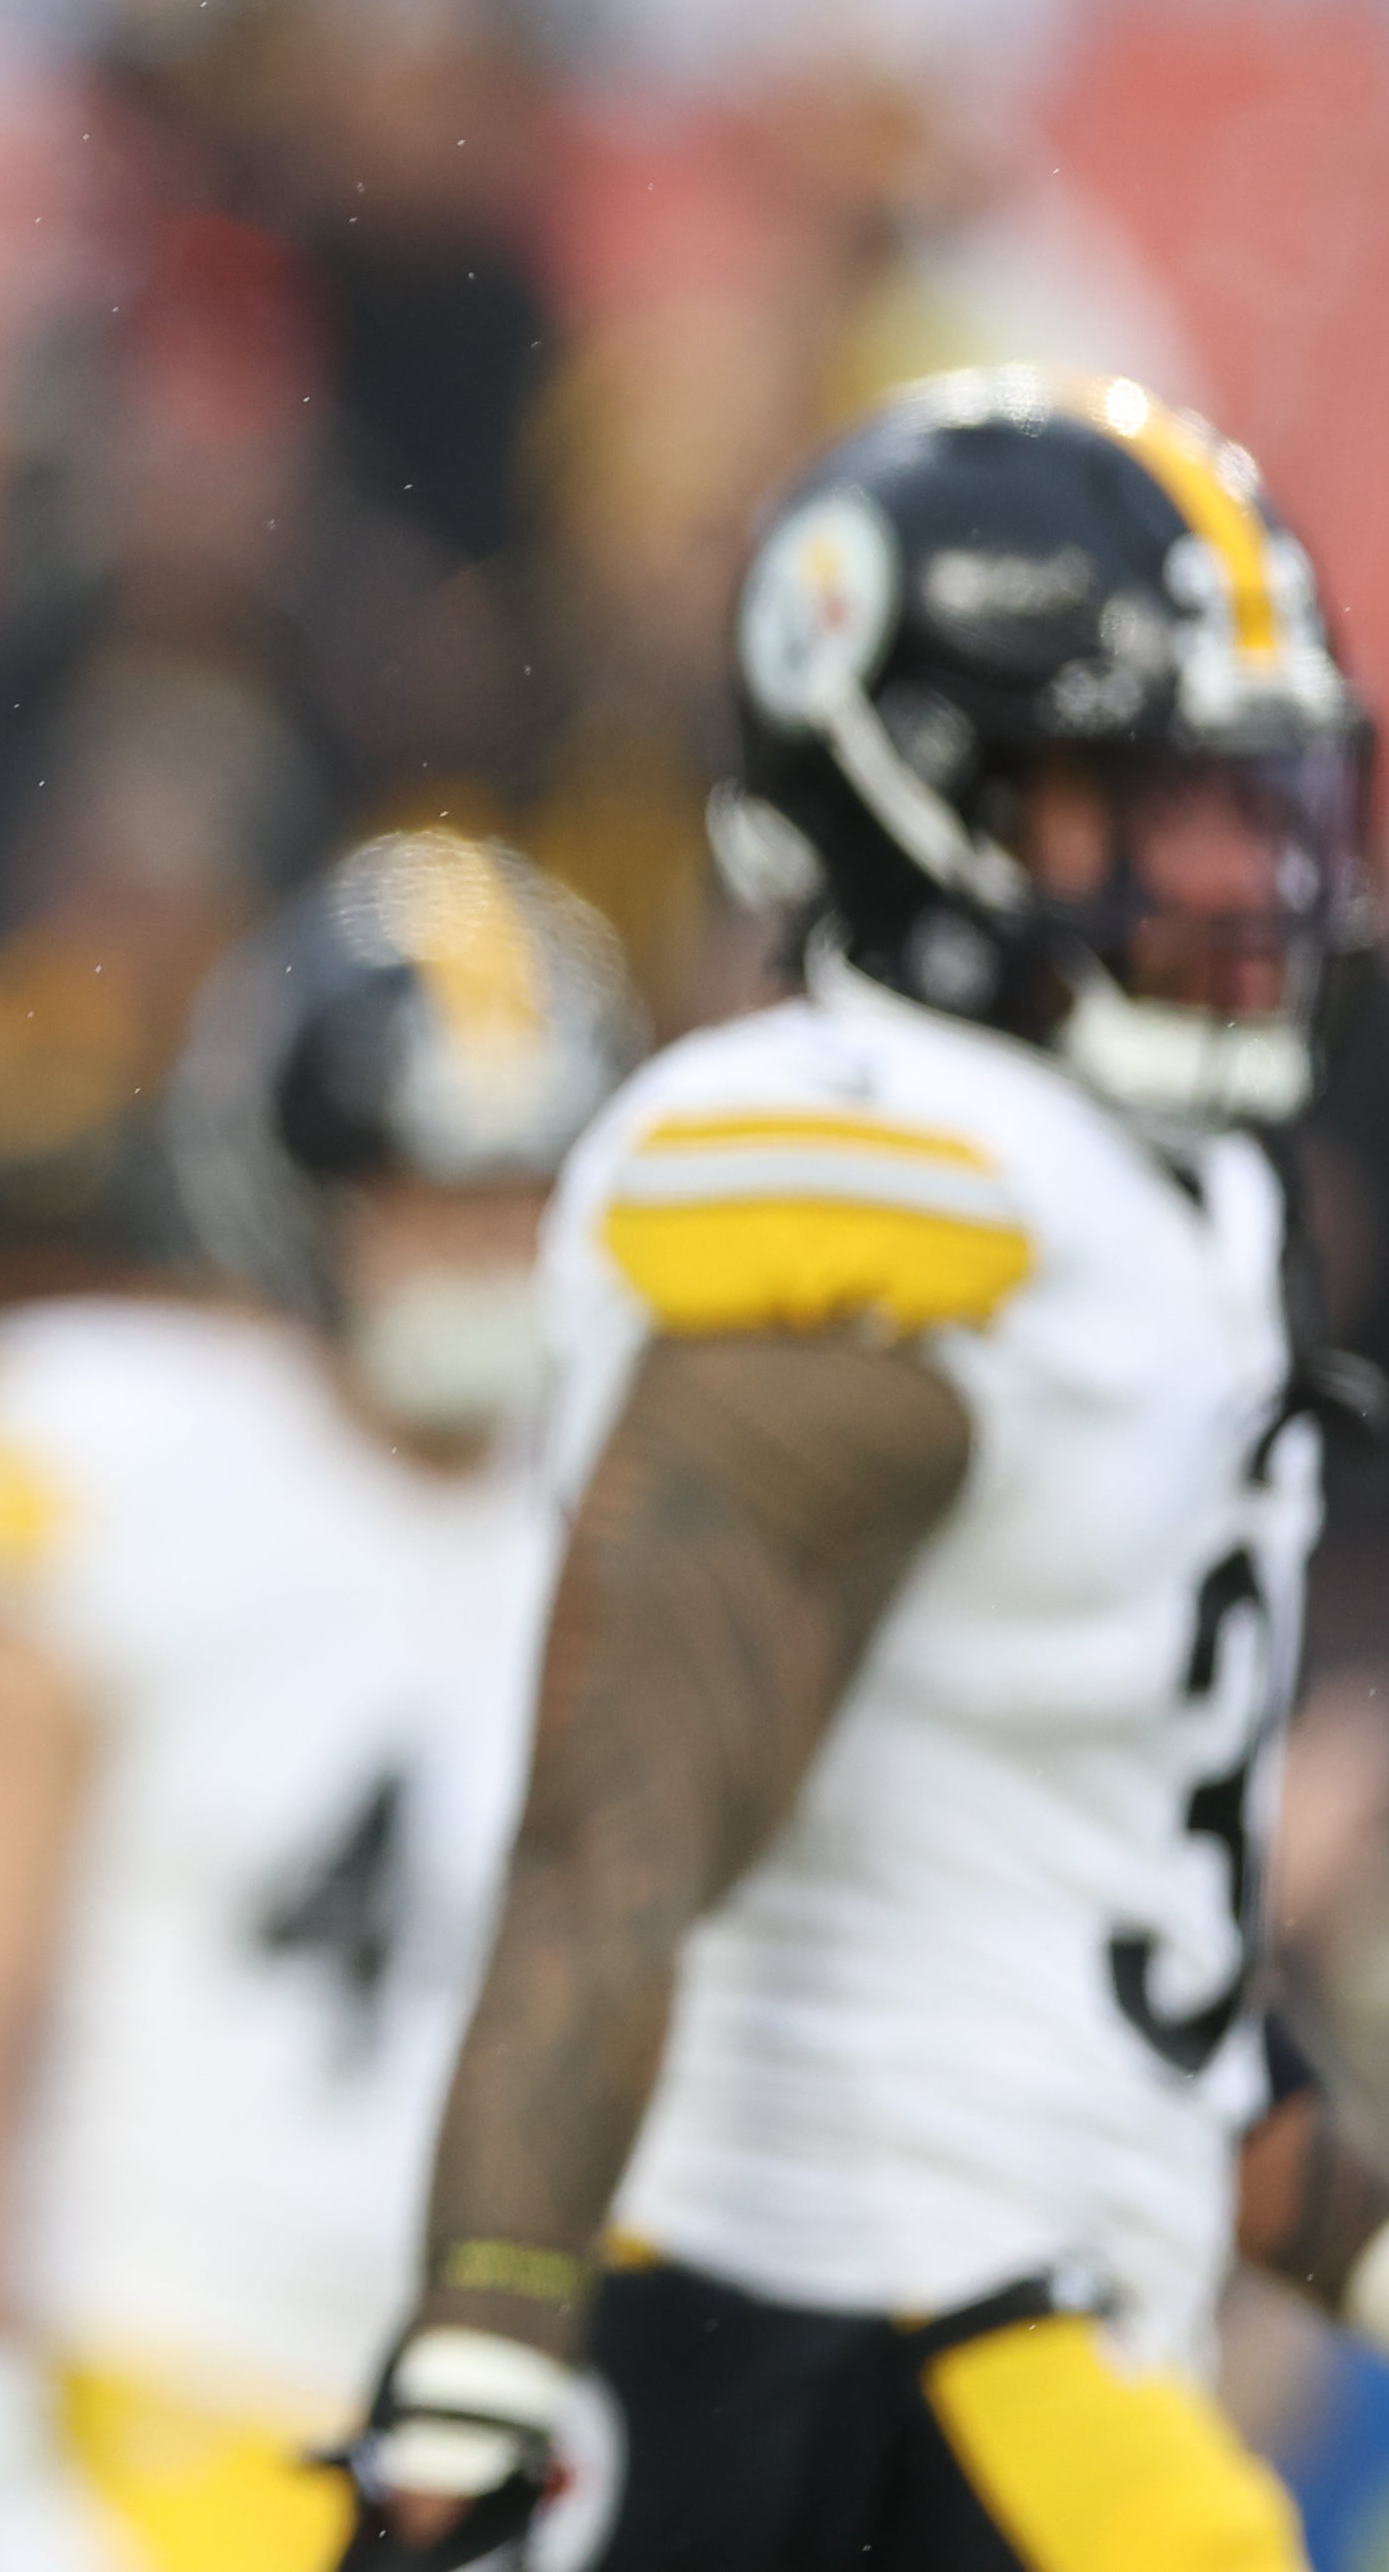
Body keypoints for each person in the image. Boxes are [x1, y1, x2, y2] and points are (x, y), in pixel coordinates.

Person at [343, 373, 1389, 2567]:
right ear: (916, 798)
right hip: (837, 2354)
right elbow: (611, 1836)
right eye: (1152, 803)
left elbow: (1141, 1965)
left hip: (1033, 2323)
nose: (1243, 873)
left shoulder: (1158, 1204)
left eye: (1261, 798)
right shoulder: (869, 1167)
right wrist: (472, 2371)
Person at [0, 833, 642, 2572]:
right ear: (301, 1191)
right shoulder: (110, 1447)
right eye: (431, 1190)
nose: (483, 1250)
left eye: (525, 1191)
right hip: (158, 2411)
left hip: (523, 2440)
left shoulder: (647, 1502)